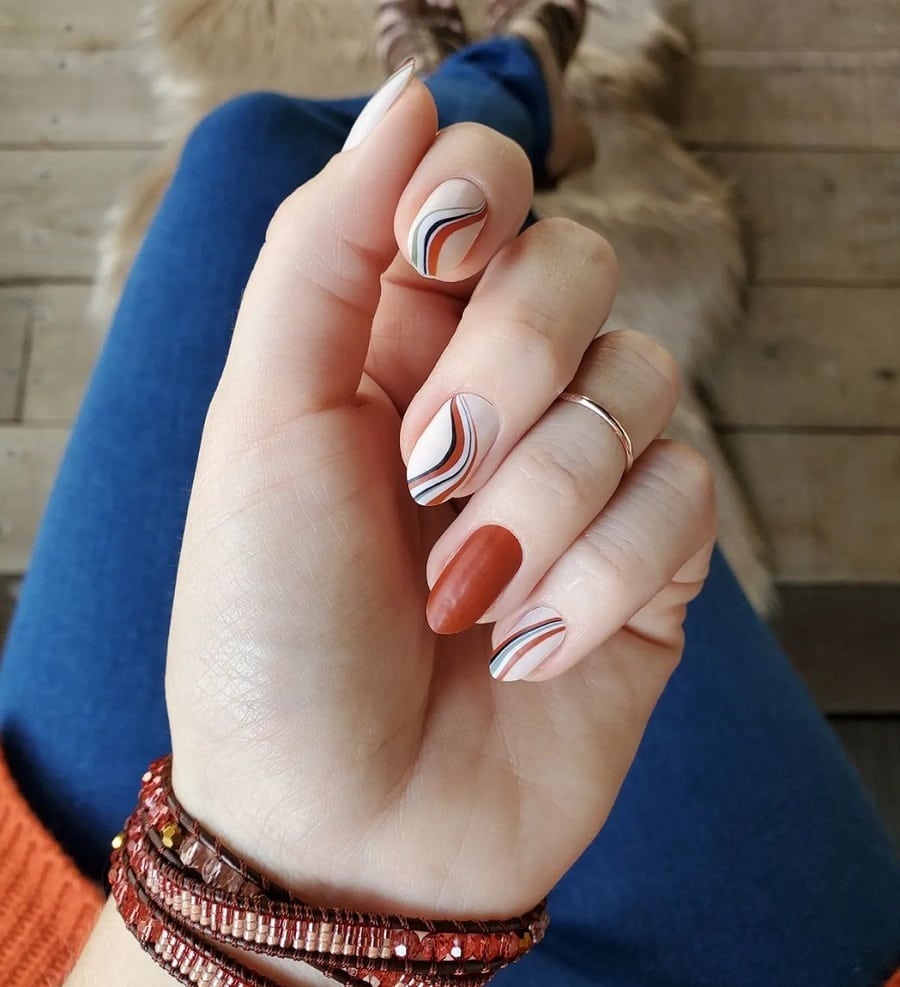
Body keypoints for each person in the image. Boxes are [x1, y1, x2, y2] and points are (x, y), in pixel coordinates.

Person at [0, 2, 897, 985]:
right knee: (318, 178)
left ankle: (491, 86)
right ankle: (510, 75)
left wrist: (296, 864)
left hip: (91, 903)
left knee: (255, 154)